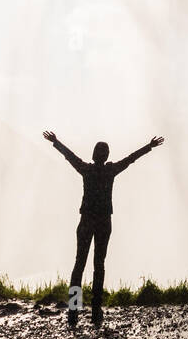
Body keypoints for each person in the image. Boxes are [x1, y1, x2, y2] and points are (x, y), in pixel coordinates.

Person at [42, 129, 164, 327]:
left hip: (86, 220)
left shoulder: (87, 170)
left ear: (93, 154)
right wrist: (149, 147)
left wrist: (56, 142)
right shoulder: (110, 171)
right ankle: (96, 311)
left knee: (78, 265)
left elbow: (70, 156)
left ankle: (74, 311)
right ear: (106, 156)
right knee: (99, 265)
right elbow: (130, 159)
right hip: (104, 222)